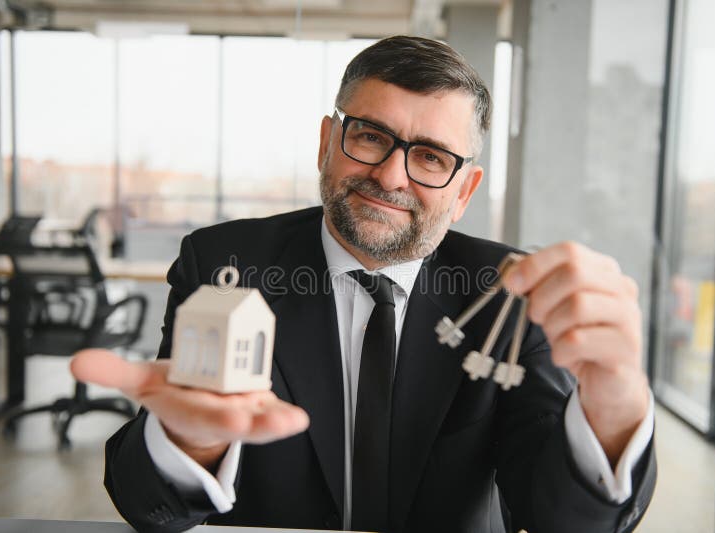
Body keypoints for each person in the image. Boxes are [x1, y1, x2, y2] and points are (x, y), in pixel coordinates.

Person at [72, 36, 656, 533]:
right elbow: (149, 506)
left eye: (429, 158)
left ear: (464, 193)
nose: (389, 175)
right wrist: (190, 442)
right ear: (328, 142)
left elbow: (562, 516)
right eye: (372, 137)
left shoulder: (507, 293)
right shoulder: (224, 262)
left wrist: (616, 405)